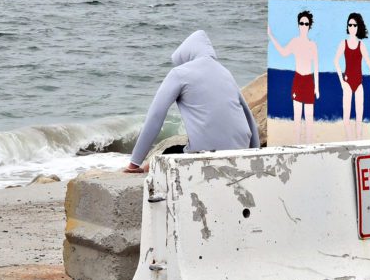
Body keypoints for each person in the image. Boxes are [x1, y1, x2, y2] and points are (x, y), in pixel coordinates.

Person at [124, 30, 260, 173]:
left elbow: (155, 116)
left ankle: (141, 169)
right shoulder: (225, 73)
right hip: (241, 151)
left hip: (204, 154)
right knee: (174, 151)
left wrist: (134, 162)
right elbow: (248, 116)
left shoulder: (179, 73)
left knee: (169, 153)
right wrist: (255, 154)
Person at [268, 10, 320, 143]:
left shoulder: (312, 45)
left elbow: (316, 67)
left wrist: (317, 88)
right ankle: (297, 146)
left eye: (306, 24)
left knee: (309, 119)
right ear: (298, 25)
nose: (303, 26)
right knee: (297, 118)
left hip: (309, 81)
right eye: (301, 23)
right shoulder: (294, 42)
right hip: (298, 80)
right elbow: (283, 52)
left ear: (309, 26)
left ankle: (309, 147)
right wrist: (271, 36)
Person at [333, 12, 370, 140]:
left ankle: (358, 141)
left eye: (354, 25)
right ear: (347, 26)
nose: (352, 27)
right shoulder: (344, 43)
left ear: (358, 27)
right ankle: (349, 141)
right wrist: (341, 80)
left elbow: (369, 62)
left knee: (359, 117)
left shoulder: (361, 45)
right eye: (350, 25)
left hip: (359, 84)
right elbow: (336, 61)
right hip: (347, 83)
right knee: (346, 117)